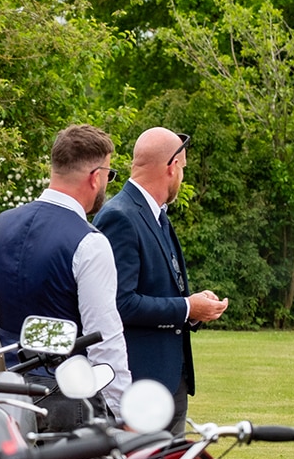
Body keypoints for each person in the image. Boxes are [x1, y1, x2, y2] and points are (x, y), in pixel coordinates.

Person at [0, 124, 131, 412]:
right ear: (95, 176)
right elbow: (104, 339)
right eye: (109, 174)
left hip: (4, 391)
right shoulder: (90, 242)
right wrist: (122, 412)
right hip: (66, 397)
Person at [96, 126, 228, 432]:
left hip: (168, 380)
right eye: (183, 168)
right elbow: (120, 304)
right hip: (140, 384)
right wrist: (187, 307)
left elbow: (159, 287)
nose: (182, 176)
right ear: (172, 167)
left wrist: (194, 307)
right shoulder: (120, 216)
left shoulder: (156, 214)